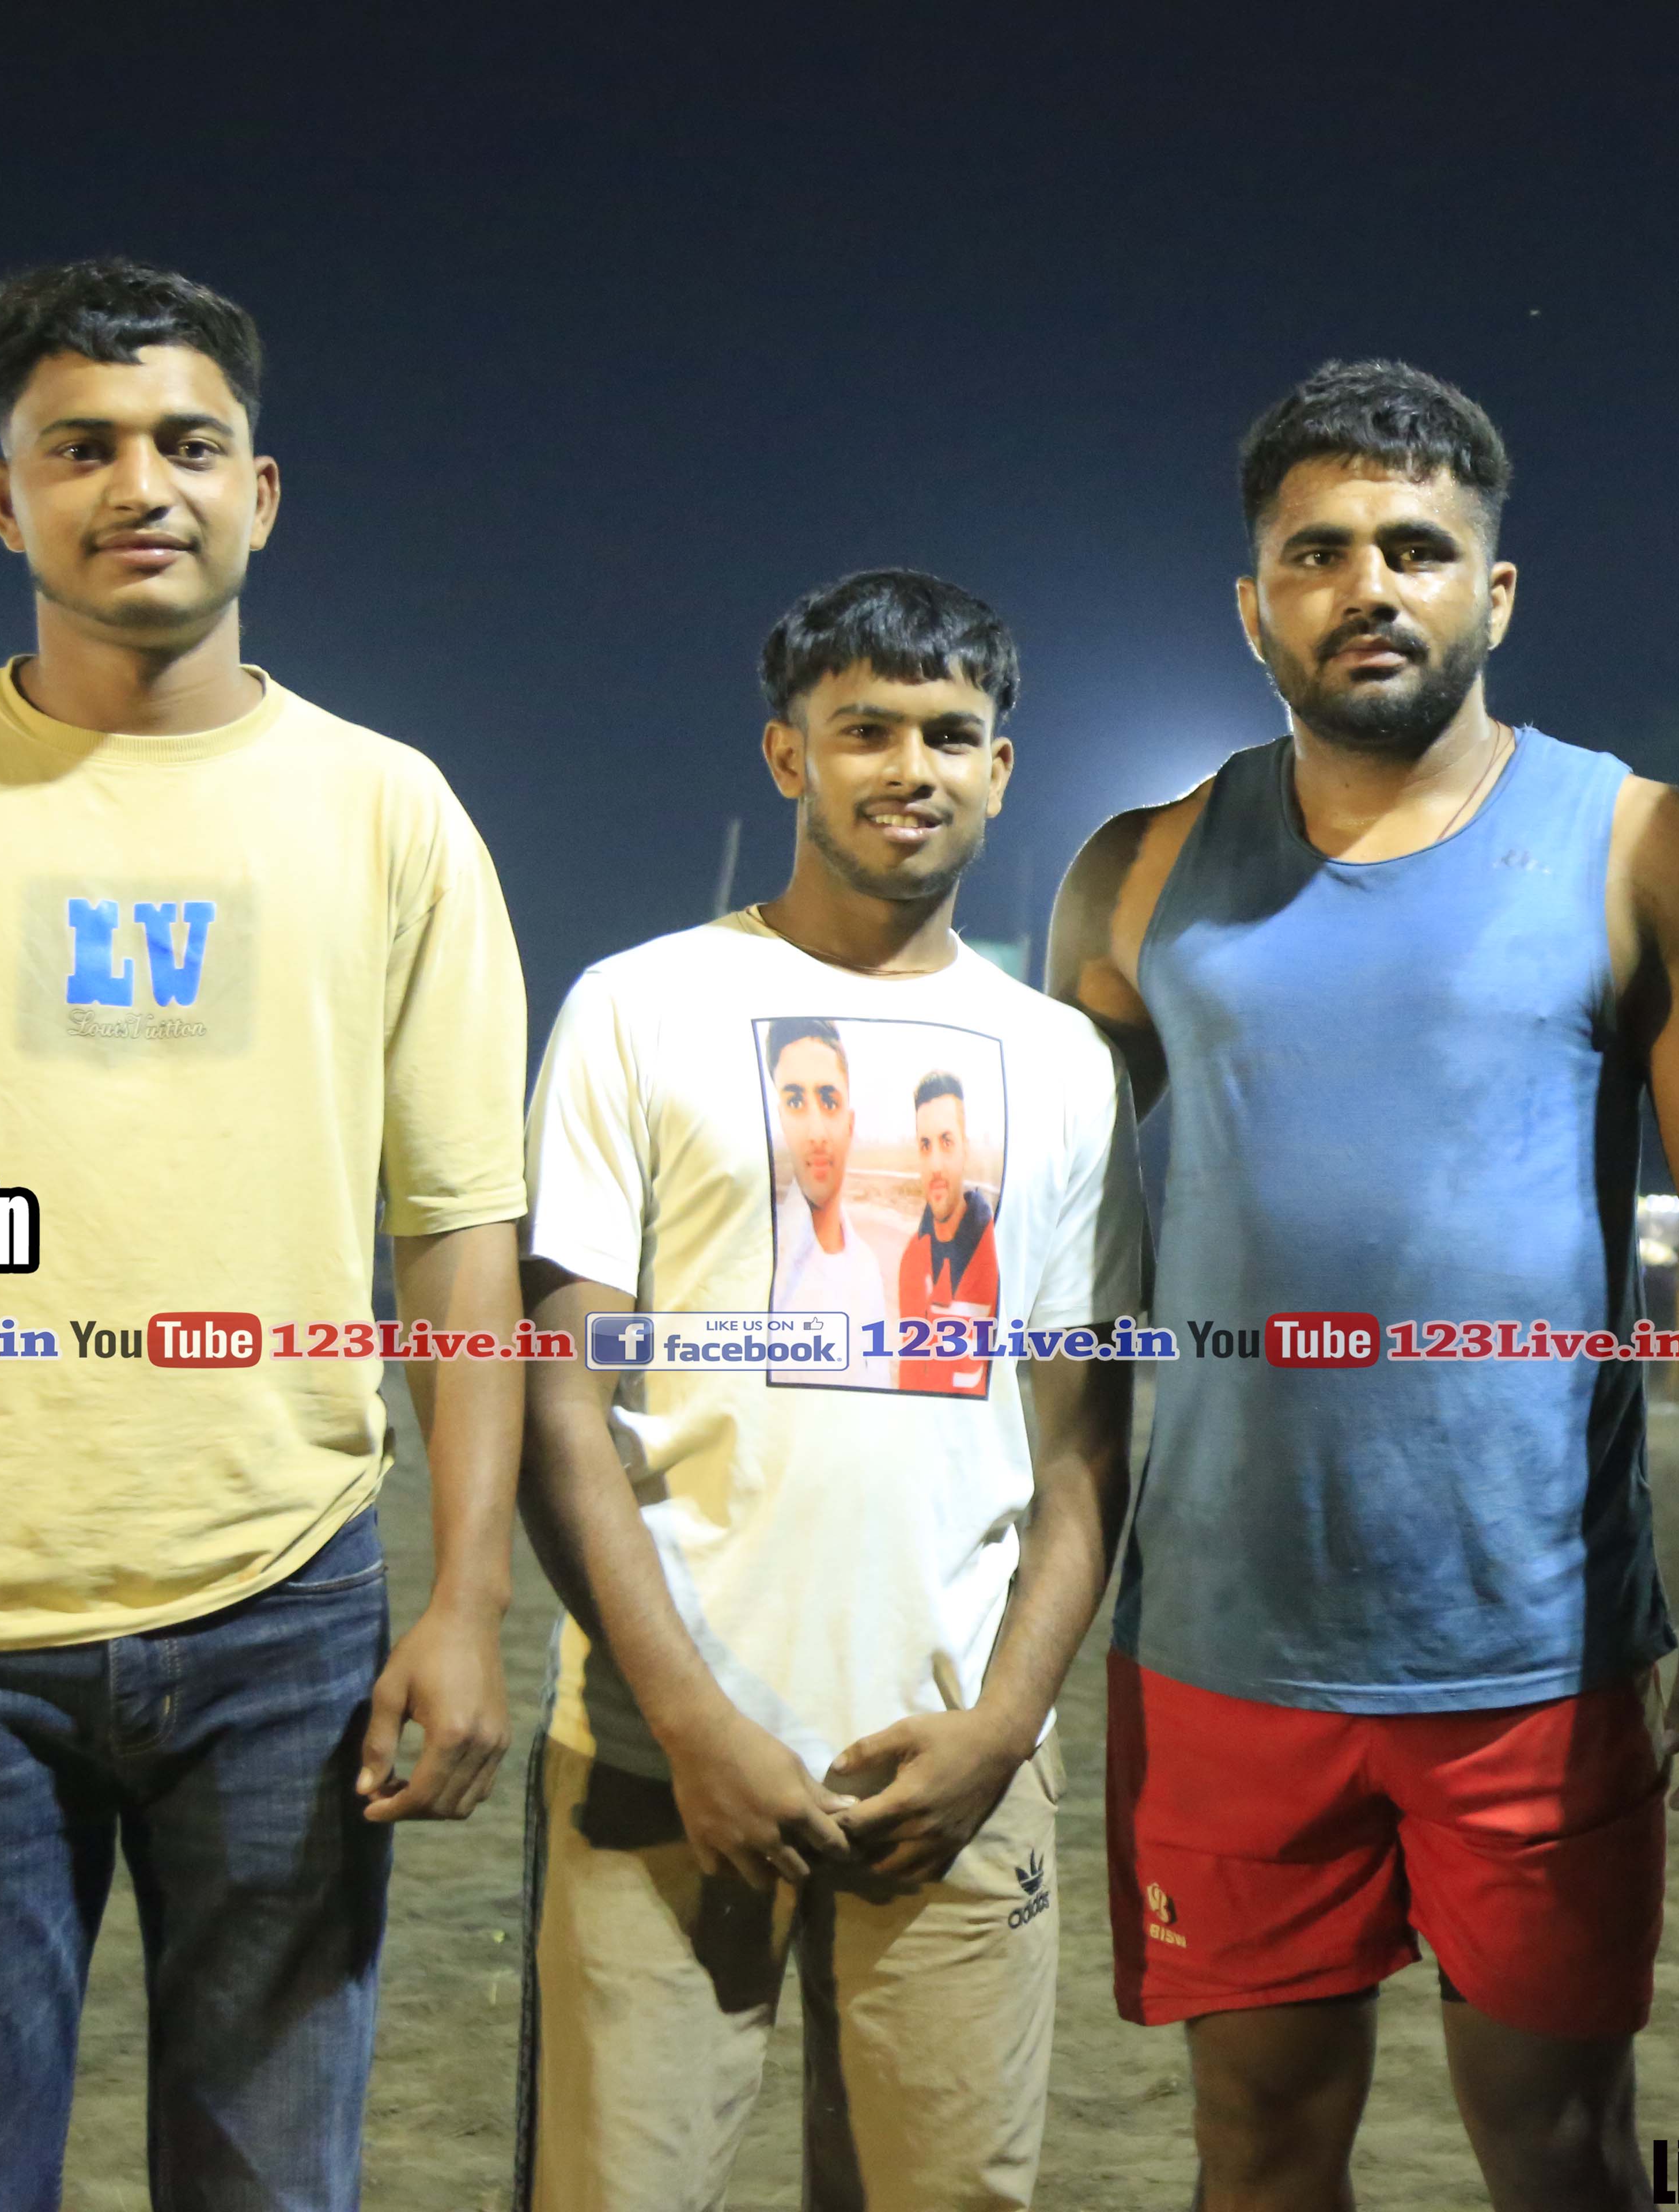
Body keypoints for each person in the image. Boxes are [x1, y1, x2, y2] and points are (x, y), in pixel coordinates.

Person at [0, 257, 528, 2209]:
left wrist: (467, 1600)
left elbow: (459, 1231)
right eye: (82, 448)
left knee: (273, 2188)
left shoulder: (389, 812)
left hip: (289, 1619)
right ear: (5, 498)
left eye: (187, 444)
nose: (140, 485)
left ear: (261, 493)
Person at [1052, 359, 1679, 2212]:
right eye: (1320, 550)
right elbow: (1048, 1261)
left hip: (1535, 1651)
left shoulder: (1638, 843)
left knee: (1562, 2149)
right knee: (1259, 2153)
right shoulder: (1139, 871)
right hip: (1224, 1649)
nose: (1369, 586)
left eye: (1417, 548)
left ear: (1493, 591)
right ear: (1253, 602)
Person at [515, 569, 1144, 2210]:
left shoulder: (1061, 1064)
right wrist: (693, 1725)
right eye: (864, 729)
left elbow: (1083, 1455)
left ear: (1001, 767)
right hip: (661, 1762)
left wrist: (1000, 1730)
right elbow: (556, 1404)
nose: (908, 768)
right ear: (788, 755)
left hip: (954, 1781)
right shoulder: (638, 1007)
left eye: (948, 733)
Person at [763, 1013, 897, 1387]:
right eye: (795, 1102)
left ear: (850, 1126)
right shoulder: (757, 1260)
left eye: (829, 1101)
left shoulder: (867, 1269)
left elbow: (879, 1386)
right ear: (781, 1120)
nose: (816, 1132)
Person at [898, 1069, 1002, 1395]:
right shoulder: (911, 1260)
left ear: (965, 1149)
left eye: (946, 1142)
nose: (936, 1165)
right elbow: (910, 1376)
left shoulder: (997, 1250)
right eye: (925, 1145)